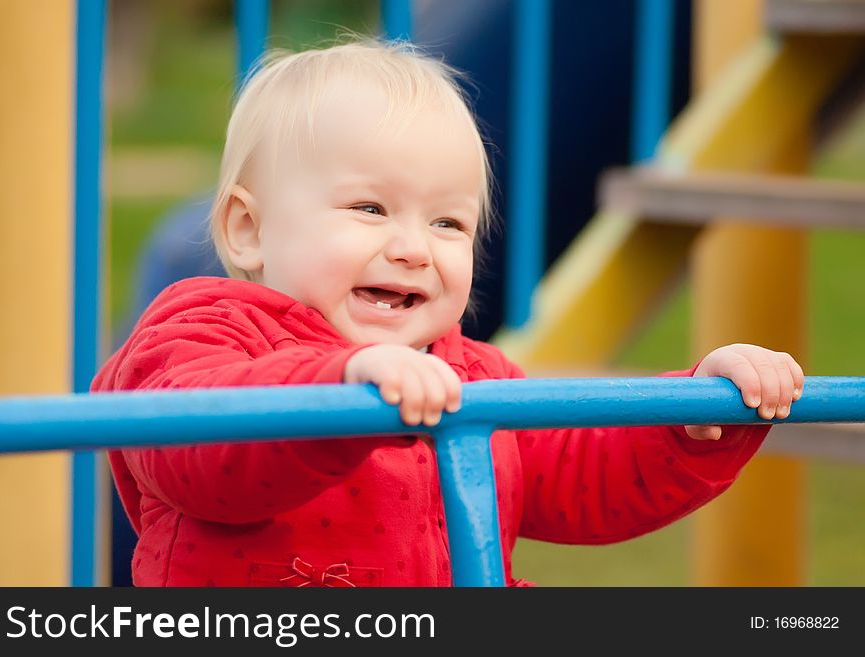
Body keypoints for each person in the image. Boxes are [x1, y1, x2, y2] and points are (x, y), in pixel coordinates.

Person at [92, 39, 805, 587]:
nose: (412, 249)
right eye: (370, 208)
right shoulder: (204, 330)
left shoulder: (470, 371)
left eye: (448, 225)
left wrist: (692, 421)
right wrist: (340, 385)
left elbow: (585, 472)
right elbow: (197, 451)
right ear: (249, 229)